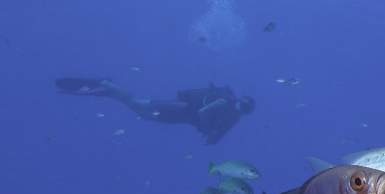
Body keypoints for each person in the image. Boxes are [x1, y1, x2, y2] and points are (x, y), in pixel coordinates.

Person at [55, 78, 255, 144]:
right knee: (140, 104)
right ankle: (106, 83)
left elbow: (217, 136)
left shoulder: (233, 115)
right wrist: (208, 128)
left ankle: (112, 94)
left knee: (142, 113)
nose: (240, 111)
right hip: (182, 109)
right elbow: (203, 114)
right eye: (242, 108)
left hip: (183, 117)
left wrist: (212, 136)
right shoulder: (225, 103)